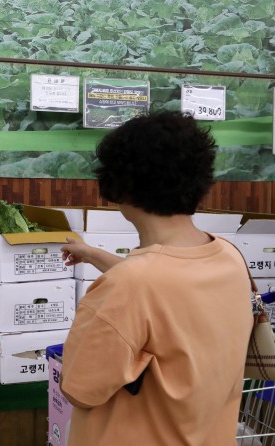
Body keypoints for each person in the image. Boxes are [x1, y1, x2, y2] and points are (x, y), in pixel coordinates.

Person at [59, 110, 252, 445]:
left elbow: (80, 389)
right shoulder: (229, 257)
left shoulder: (130, 286)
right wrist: (91, 253)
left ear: (119, 185)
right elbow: (165, 284)